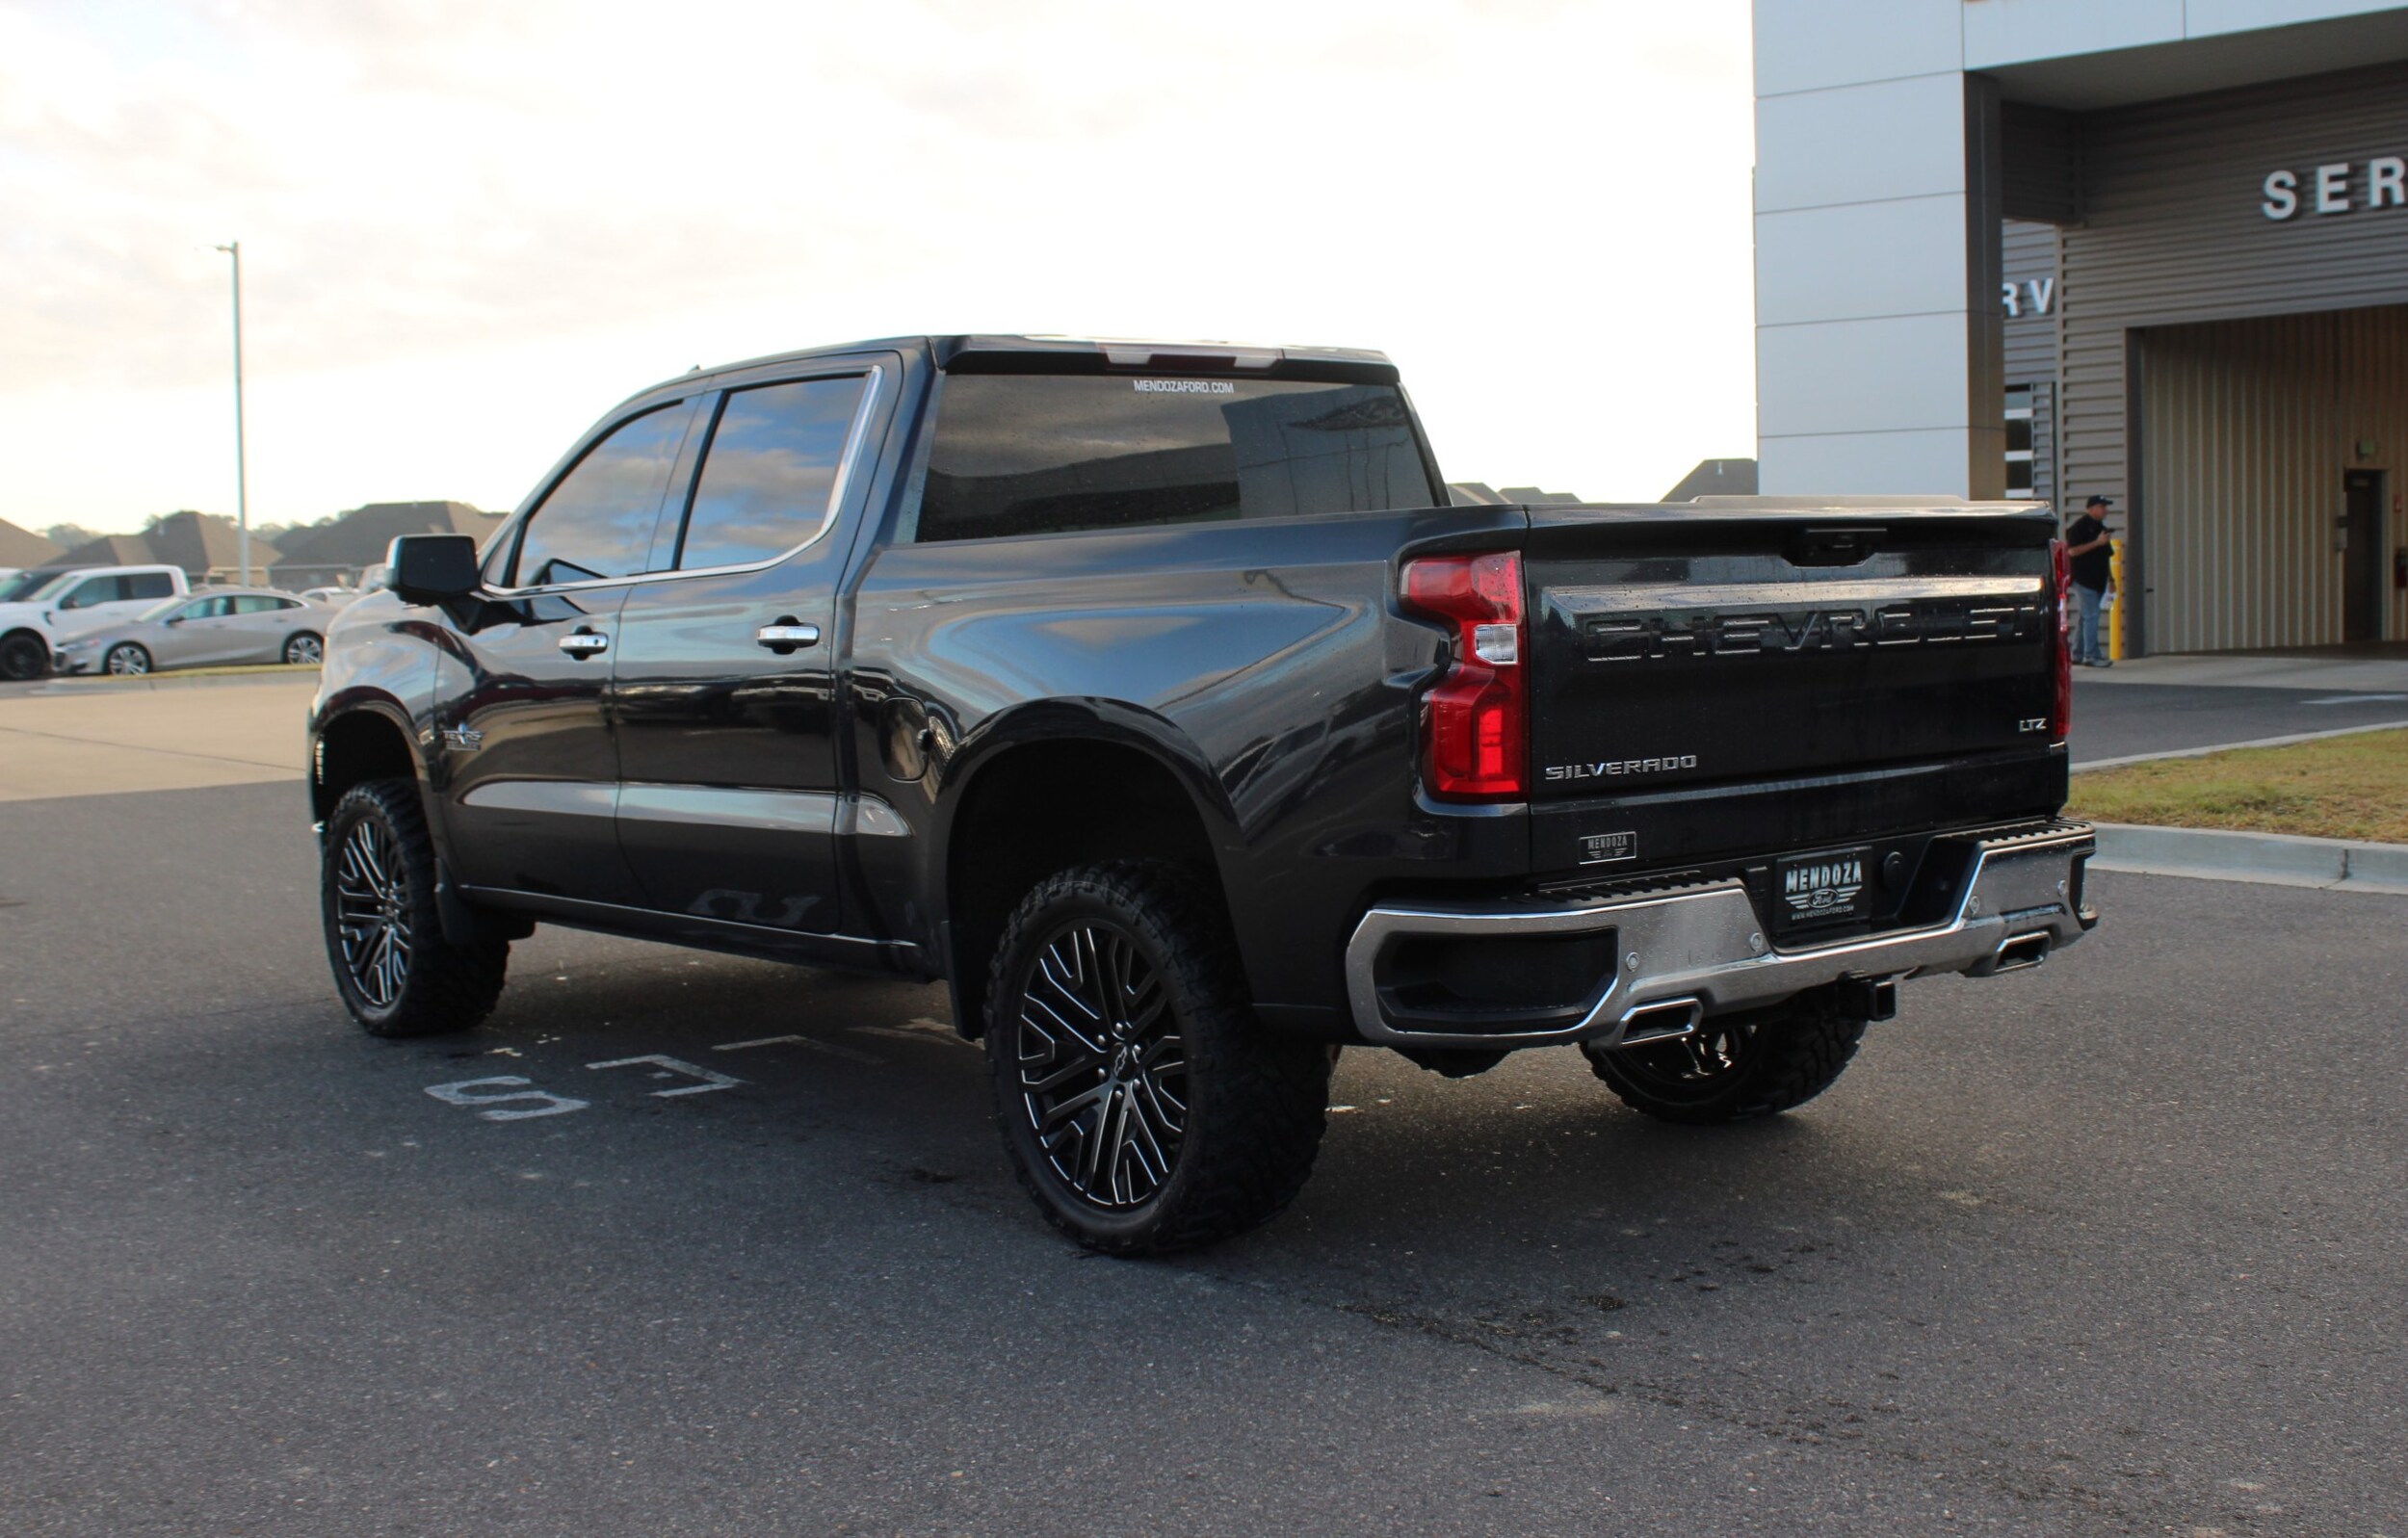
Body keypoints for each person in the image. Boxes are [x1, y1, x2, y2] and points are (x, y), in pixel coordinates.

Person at [2063, 495, 2115, 666]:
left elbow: (2106, 556)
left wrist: (2111, 579)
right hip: (2083, 580)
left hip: (2098, 580)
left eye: (2106, 507)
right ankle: (2091, 656)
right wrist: (2096, 542)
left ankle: (2077, 654)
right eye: (2102, 506)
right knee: (2092, 615)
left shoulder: (2101, 528)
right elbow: (2072, 551)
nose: (2106, 510)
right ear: (2091, 509)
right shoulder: (2080, 527)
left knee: (2085, 617)